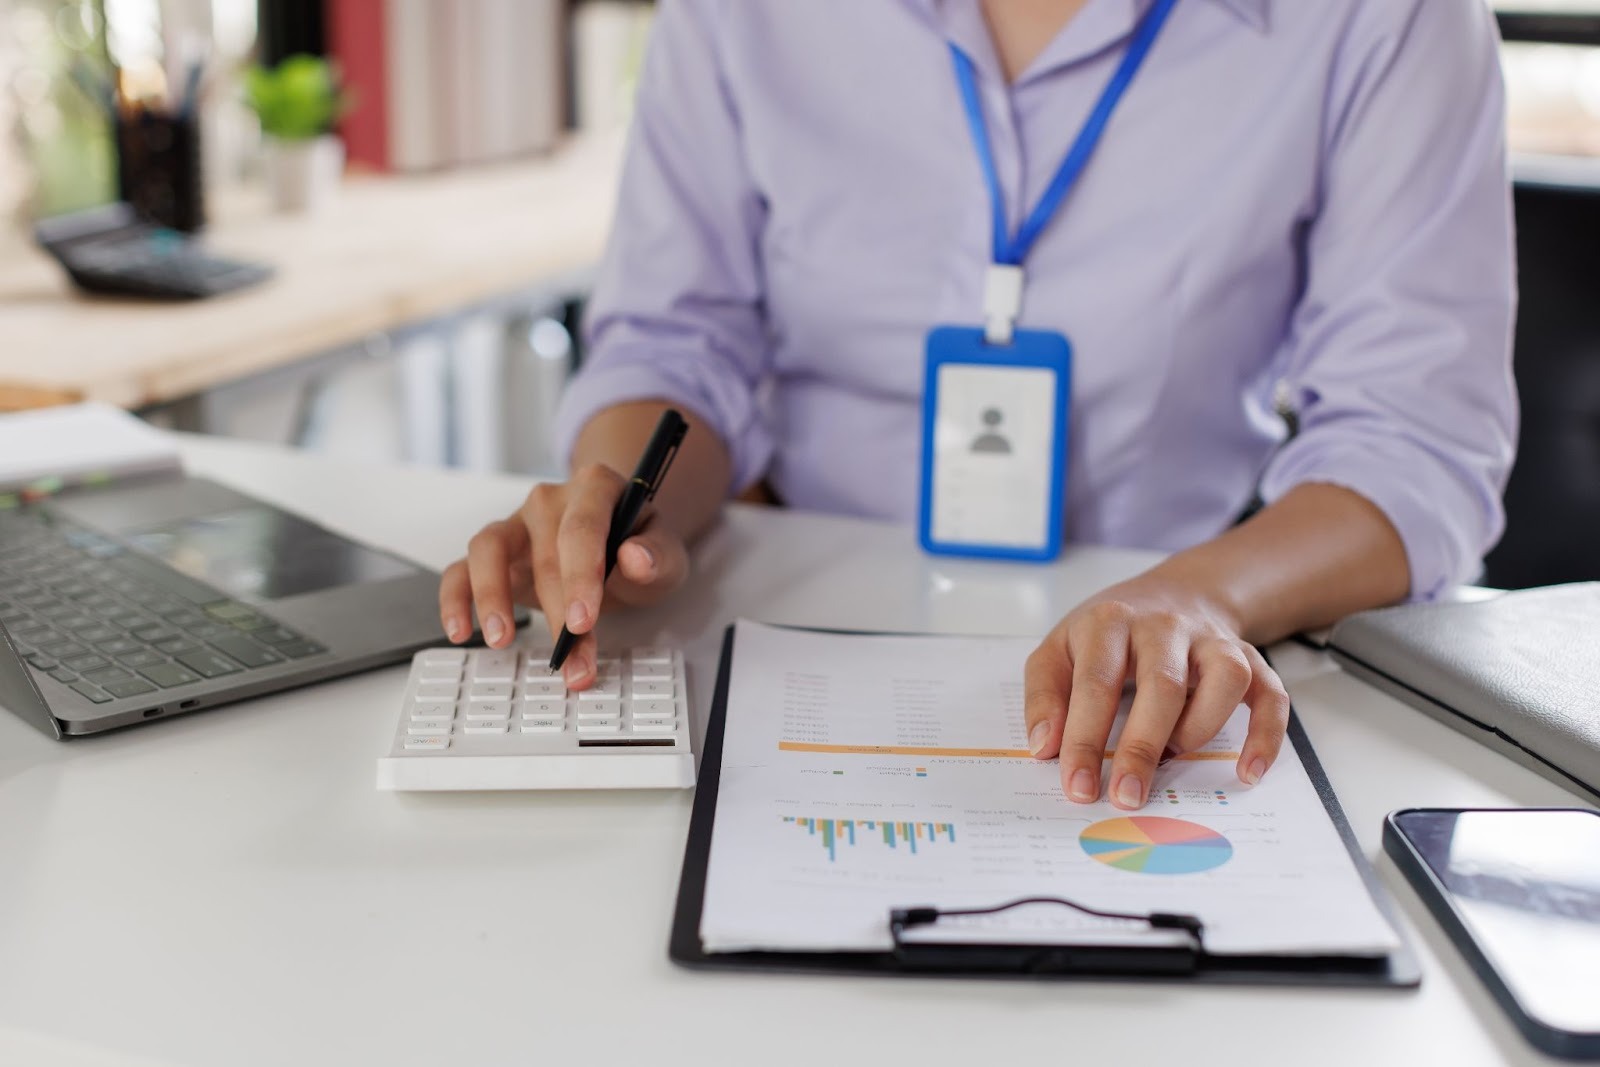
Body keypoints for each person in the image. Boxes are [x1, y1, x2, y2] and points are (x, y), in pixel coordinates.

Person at [439, 0, 1517, 811]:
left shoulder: (1392, 18)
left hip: (1159, 654)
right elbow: (678, 343)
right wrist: (626, 516)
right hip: (782, 624)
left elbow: (1413, 444)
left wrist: (1200, 599)